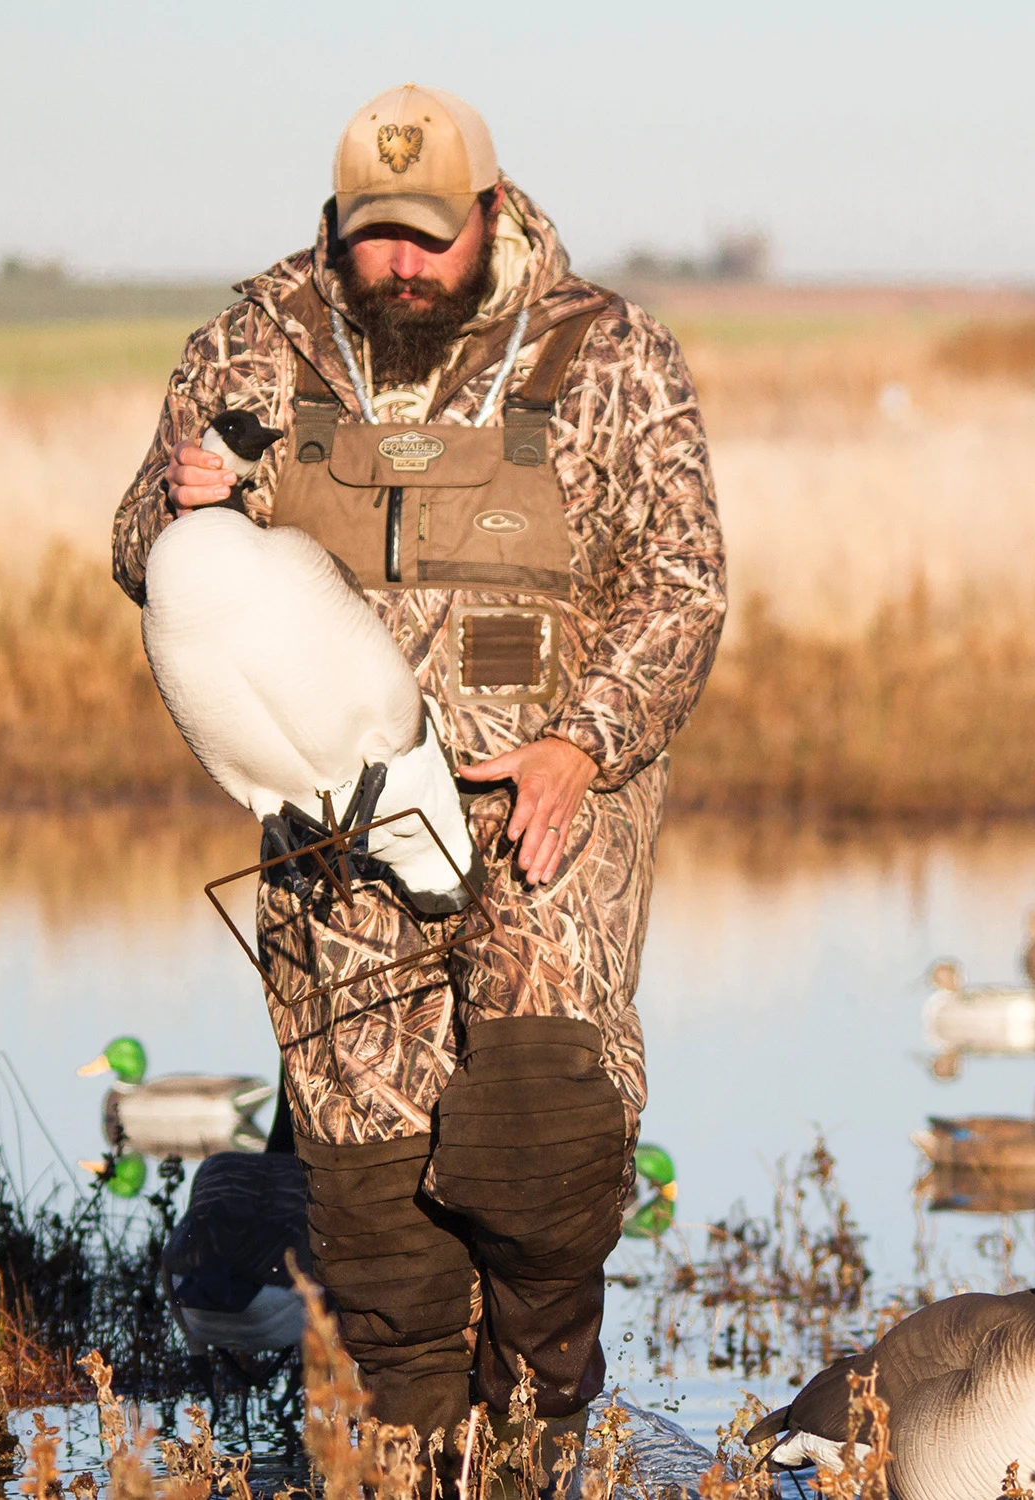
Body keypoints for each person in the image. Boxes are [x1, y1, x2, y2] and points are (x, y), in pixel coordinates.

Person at [110, 84, 725, 1466]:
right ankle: (411, 1468)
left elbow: (684, 586)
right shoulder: (252, 351)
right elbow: (136, 543)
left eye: (427, 238)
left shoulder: (608, 354)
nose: (399, 265)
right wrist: (177, 508)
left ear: (491, 215)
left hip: (539, 817)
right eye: (373, 236)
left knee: (534, 1149)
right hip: (332, 830)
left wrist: (583, 744)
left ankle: (535, 1445)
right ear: (336, 223)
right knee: (374, 1226)